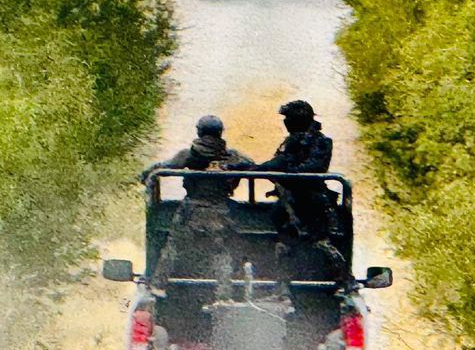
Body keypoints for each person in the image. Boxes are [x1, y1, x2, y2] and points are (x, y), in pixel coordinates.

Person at [141, 115, 253, 301]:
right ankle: (224, 296)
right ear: (220, 133)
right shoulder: (231, 156)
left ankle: (159, 285)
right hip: (219, 210)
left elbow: (163, 167)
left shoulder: (189, 154)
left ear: (199, 131)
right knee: (222, 253)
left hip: (191, 210)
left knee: (174, 247)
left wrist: (145, 175)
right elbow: (252, 165)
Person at [256, 100, 350, 290]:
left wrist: (288, 173)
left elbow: (315, 168)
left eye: (289, 118)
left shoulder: (320, 141)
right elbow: (276, 163)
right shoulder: (291, 141)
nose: (286, 122)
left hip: (312, 202)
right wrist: (252, 169)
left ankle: (342, 279)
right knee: (283, 240)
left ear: (299, 119)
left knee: (321, 244)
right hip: (289, 202)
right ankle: (281, 285)